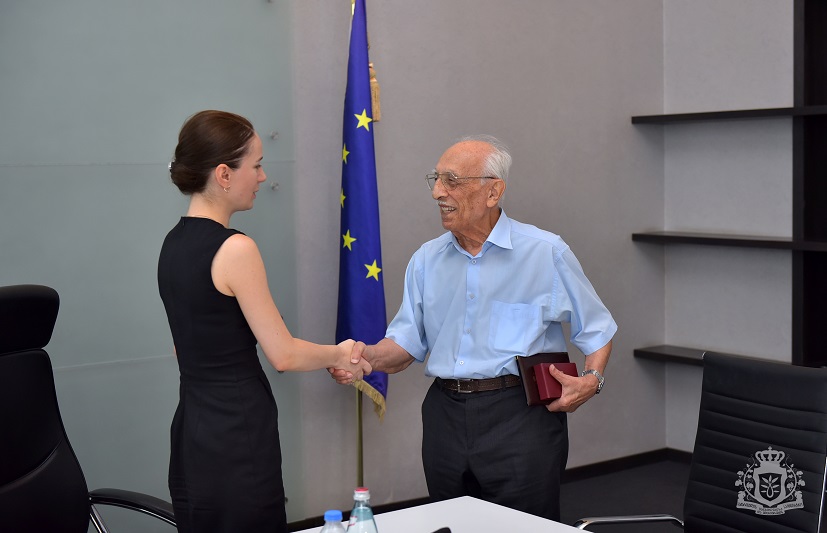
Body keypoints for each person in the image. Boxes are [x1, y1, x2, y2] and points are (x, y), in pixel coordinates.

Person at [331, 135, 616, 521]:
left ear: (493, 192)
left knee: (523, 527)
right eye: (435, 179)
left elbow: (597, 330)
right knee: (452, 522)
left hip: (519, 416)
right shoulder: (426, 260)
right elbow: (406, 344)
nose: (437, 192)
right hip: (444, 415)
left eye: (451, 180)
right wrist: (366, 357)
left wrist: (592, 380)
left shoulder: (545, 252)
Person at [158, 110, 370, 533]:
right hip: (237, 432)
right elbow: (283, 354)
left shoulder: (172, 244)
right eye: (255, 165)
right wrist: (341, 354)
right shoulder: (236, 249)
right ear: (223, 174)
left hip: (191, 430)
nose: (262, 176)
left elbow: (187, 348)